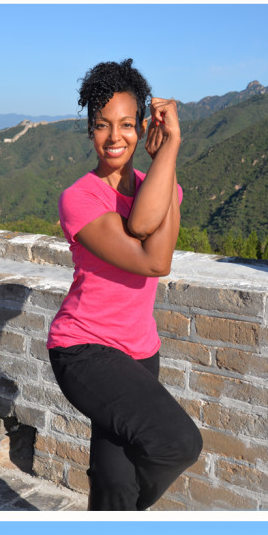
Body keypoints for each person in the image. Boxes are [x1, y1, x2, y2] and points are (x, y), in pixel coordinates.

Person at [47, 57, 202, 511]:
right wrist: (169, 154)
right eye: (101, 125)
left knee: (114, 479)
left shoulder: (163, 187)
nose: (114, 137)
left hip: (140, 352)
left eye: (127, 124)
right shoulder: (79, 198)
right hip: (85, 350)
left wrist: (167, 155)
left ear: (141, 127)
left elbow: (156, 237)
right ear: (90, 129)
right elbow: (152, 261)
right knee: (177, 442)